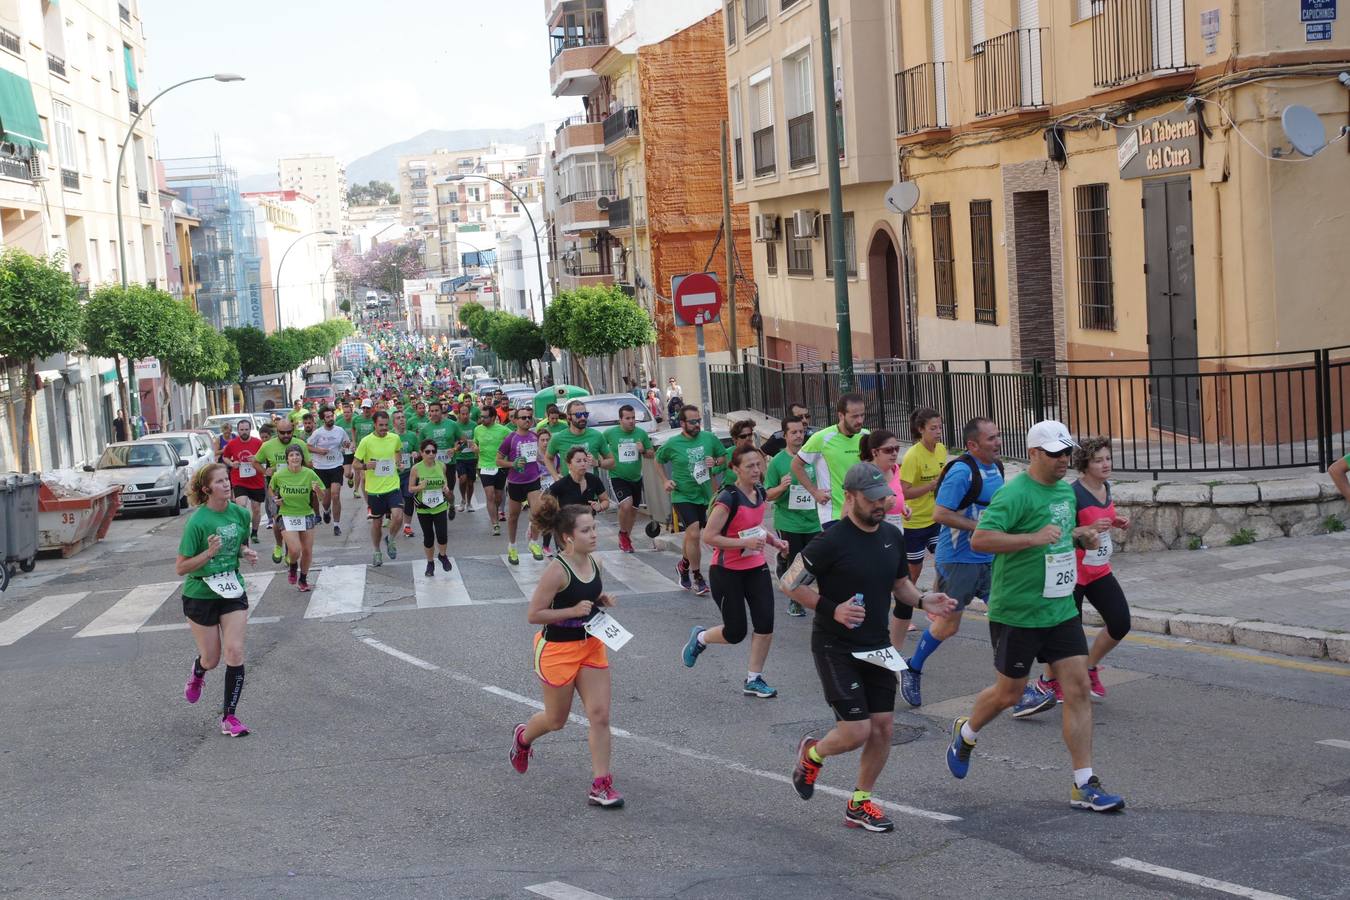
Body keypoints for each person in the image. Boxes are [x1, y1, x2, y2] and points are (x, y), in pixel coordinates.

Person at [944, 421, 1125, 813]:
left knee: (1076, 689)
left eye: (1067, 453)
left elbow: (1058, 535)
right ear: (1034, 453)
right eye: (1056, 453)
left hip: (1058, 608)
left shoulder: (1063, 490)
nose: (1064, 460)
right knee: (1009, 693)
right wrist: (1030, 539)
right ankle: (968, 730)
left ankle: (1084, 783)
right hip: (1018, 612)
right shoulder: (1013, 494)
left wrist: (1082, 535)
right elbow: (981, 539)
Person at [784, 462, 958, 832]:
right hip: (835, 646)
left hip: (876, 646)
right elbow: (789, 582)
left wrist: (925, 600)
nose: (881, 505)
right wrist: (833, 608)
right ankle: (812, 754)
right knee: (856, 731)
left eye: (885, 497)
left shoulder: (892, 537)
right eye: (873, 499)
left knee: (883, 729)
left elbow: (900, 588)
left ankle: (859, 804)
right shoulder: (830, 541)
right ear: (850, 497)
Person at [509, 497, 624, 809]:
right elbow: (534, 614)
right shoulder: (556, 571)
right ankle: (523, 738)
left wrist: (602, 600)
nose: (594, 535)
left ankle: (601, 784)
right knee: (556, 720)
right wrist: (572, 610)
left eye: (594, 528)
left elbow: (590, 595)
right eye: (586, 530)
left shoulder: (596, 562)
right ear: (568, 537)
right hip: (557, 650)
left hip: (590, 645)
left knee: (599, 715)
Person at [899, 418, 1005, 707]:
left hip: (990, 557)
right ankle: (913, 666)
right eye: (991, 439)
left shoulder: (997, 467)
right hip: (958, 558)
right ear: (972, 445)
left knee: (1007, 615)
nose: (998, 442)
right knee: (948, 626)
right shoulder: (961, 472)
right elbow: (941, 514)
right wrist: (979, 529)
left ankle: (1011, 686)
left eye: (998, 436)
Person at [1026, 437, 1132, 706]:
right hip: (1072, 573)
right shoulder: (1072, 493)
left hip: (1099, 569)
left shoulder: (1104, 487)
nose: (1106, 464)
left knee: (1120, 622)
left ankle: (1090, 667)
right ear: (1085, 465)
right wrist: (1089, 529)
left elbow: (1100, 517)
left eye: (1108, 458)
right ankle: (1048, 681)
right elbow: (1061, 532)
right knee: (1063, 632)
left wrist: (1115, 520)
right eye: (1098, 460)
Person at [683, 445, 788, 698]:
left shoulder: (760, 492)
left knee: (765, 623)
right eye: (749, 466)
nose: (756, 470)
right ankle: (701, 638)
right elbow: (709, 536)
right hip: (727, 571)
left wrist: (775, 542)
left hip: (756, 567)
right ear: (735, 469)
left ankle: (754, 679)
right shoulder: (727, 498)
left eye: (758, 464)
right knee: (735, 632)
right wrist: (744, 544)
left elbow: (754, 525)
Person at [176, 463, 259, 738]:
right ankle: (199, 671)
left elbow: (240, 543)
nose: (227, 484)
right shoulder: (198, 522)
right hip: (200, 593)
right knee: (211, 659)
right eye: (220, 481)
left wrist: (245, 552)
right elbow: (181, 567)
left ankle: (229, 717)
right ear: (206, 489)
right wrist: (209, 554)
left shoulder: (240, 514)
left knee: (234, 651)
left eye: (227, 479)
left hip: (232, 589)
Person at [656, 405, 726, 596]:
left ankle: (684, 565)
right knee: (694, 532)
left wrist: (716, 462)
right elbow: (657, 459)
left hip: (705, 494)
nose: (697, 425)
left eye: (698, 421)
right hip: (682, 494)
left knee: (691, 534)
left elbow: (723, 457)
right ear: (682, 423)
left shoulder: (709, 438)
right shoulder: (673, 443)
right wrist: (665, 481)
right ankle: (697, 577)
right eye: (693, 422)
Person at [764, 414, 821, 617]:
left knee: (815, 563)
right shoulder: (778, 462)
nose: (799, 436)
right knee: (797, 562)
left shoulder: (814, 457)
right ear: (785, 435)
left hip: (814, 520)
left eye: (801, 431)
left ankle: (784, 564)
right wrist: (781, 486)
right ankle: (795, 599)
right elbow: (767, 495)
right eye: (794, 432)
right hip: (789, 520)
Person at [792, 393, 870, 529]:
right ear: (841, 415)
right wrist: (815, 492)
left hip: (861, 512)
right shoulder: (822, 438)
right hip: (833, 515)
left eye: (862, 415)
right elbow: (796, 464)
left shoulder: (866, 436)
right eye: (854, 416)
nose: (859, 420)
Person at [899, 408, 947, 584]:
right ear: (921, 429)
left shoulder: (941, 449)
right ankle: (904, 603)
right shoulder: (912, 456)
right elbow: (904, 491)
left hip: (936, 519)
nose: (938, 432)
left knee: (944, 562)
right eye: (933, 428)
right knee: (914, 571)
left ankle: (937, 606)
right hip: (915, 523)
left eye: (940, 427)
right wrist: (929, 486)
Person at [353, 410, 405, 567]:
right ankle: (376, 550)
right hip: (375, 489)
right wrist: (365, 466)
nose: (384, 428)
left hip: (392, 485)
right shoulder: (366, 441)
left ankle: (390, 538)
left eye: (386, 425)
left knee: (398, 516)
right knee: (377, 523)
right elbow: (355, 463)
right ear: (374, 425)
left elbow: (398, 454)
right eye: (380, 425)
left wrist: (399, 465)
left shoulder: (395, 438)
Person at [256, 421, 312, 566]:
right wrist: (265, 471)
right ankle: (279, 545)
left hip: (296, 488)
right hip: (275, 488)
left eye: (289, 432)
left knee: (292, 522)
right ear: (277, 432)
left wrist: (301, 465)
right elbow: (255, 462)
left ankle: (290, 551)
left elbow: (309, 464)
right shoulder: (267, 445)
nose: (286, 435)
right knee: (278, 521)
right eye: (282, 433)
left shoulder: (300, 443)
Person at [269, 444, 323, 592]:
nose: (295, 458)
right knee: (295, 550)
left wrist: (317, 489)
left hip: (306, 514)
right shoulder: (279, 475)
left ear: (302, 458)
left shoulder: (310, 474)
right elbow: (271, 488)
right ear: (287, 459)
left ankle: (303, 579)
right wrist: (275, 499)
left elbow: (322, 497)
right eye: (291, 455)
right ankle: (293, 567)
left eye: (297, 455)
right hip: (286, 514)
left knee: (307, 550)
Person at [498, 406, 546, 564]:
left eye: (529, 417)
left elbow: (540, 457)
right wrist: (513, 464)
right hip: (515, 482)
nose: (527, 420)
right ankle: (512, 546)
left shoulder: (534, 436)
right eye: (523, 418)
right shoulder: (510, 438)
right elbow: (498, 461)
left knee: (538, 512)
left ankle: (533, 543)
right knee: (513, 517)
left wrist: (551, 468)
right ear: (515, 420)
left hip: (533, 479)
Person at [604, 404, 654, 553]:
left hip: (636, 477)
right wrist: (603, 460)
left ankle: (625, 536)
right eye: (627, 418)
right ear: (620, 420)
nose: (631, 421)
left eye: (633, 418)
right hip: (617, 475)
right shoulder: (610, 433)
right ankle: (623, 535)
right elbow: (599, 446)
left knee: (633, 511)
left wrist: (643, 450)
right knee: (626, 505)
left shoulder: (641, 434)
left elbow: (651, 453)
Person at [407, 438, 454, 577]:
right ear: (422, 453)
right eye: (427, 451)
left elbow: (445, 483)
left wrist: (446, 489)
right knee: (428, 536)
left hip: (439, 505)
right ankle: (430, 563)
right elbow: (410, 489)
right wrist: (419, 487)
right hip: (423, 507)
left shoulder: (441, 466)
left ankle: (443, 556)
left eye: (433, 451)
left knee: (442, 535)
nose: (431, 454)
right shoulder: (416, 469)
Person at [306, 406, 350, 536]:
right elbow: (307, 446)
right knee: (325, 499)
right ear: (323, 419)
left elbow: (346, 442)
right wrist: (319, 451)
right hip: (321, 468)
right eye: (328, 417)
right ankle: (326, 511)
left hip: (336, 466)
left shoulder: (340, 430)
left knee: (336, 495)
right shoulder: (318, 433)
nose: (331, 419)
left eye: (332, 416)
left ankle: (336, 525)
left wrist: (347, 445)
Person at [543, 400, 613, 482]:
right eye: (578, 415)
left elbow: (612, 462)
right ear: (569, 417)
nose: (583, 418)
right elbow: (548, 458)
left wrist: (597, 463)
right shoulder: (558, 438)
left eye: (585, 414)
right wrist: (555, 476)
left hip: (591, 489)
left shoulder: (597, 435)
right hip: (568, 490)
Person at [220, 417, 264, 544]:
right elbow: (225, 457)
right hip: (239, 479)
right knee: (241, 505)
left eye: (246, 429)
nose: (244, 432)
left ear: (250, 430)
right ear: (237, 431)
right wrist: (232, 463)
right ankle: (243, 534)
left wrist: (256, 458)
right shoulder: (232, 444)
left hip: (256, 480)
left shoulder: (258, 443)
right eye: (241, 430)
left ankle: (254, 532)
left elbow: (265, 458)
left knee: (256, 509)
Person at [474, 407, 512, 536]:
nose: (482, 419)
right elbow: (475, 445)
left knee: (498, 496)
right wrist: (475, 448)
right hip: (484, 466)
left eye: (485, 417)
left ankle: (496, 512)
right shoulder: (477, 430)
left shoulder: (504, 430)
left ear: (493, 417)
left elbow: (514, 441)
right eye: (481, 416)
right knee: (489, 495)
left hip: (500, 467)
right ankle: (495, 524)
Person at [549, 446, 610, 516]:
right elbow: (543, 500)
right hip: (568, 524)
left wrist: (600, 507)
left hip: (588, 523)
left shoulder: (594, 479)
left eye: (585, 460)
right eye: (578, 461)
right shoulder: (561, 483)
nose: (583, 464)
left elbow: (605, 501)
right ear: (569, 465)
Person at [453, 403, 479, 512]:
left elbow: (477, 440)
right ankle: (463, 500)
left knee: (470, 482)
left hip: (472, 457)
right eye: (462, 414)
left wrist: (474, 446)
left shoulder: (474, 425)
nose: (465, 416)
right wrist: (457, 445)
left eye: (467, 414)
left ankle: (469, 503)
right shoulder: (455, 425)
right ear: (458, 414)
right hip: (460, 457)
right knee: (462, 478)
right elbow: (452, 440)